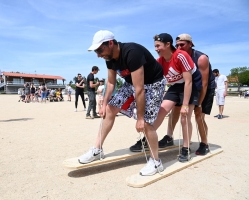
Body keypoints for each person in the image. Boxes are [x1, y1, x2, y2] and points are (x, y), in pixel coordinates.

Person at [78, 30, 166, 176]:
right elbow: (111, 82)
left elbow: (140, 90)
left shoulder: (132, 53)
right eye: (96, 51)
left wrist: (140, 118)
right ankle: (97, 149)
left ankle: (156, 162)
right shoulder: (109, 57)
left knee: (147, 123)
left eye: (100, 49)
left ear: (111, 43)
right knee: (110, 109)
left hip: (153, 84)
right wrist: (105, 103)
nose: (98, 54)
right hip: (132, 83)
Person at [130, 33, 202, 162]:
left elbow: (188, 82)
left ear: (168, 44)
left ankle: (186, 148)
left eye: (158, 46)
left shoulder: (181, 55)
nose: (156, 49)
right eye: (155, 46)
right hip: (175, 86)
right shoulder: (160, 61)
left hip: (191, 85)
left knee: (185, 117)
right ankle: (147, 139)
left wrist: (185, 104)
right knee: (161, 111)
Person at [140, 34, 215, 156]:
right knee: (170, 110)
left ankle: (203, 144)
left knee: (195, 115)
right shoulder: (164, 59)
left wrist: (197, 103)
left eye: (182, 44)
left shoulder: (200, 58)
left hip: (199, 85)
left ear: (190, 44)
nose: (179, 47)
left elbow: (203, 83)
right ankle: (160, 137)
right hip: (180, 84)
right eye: (177, 45)